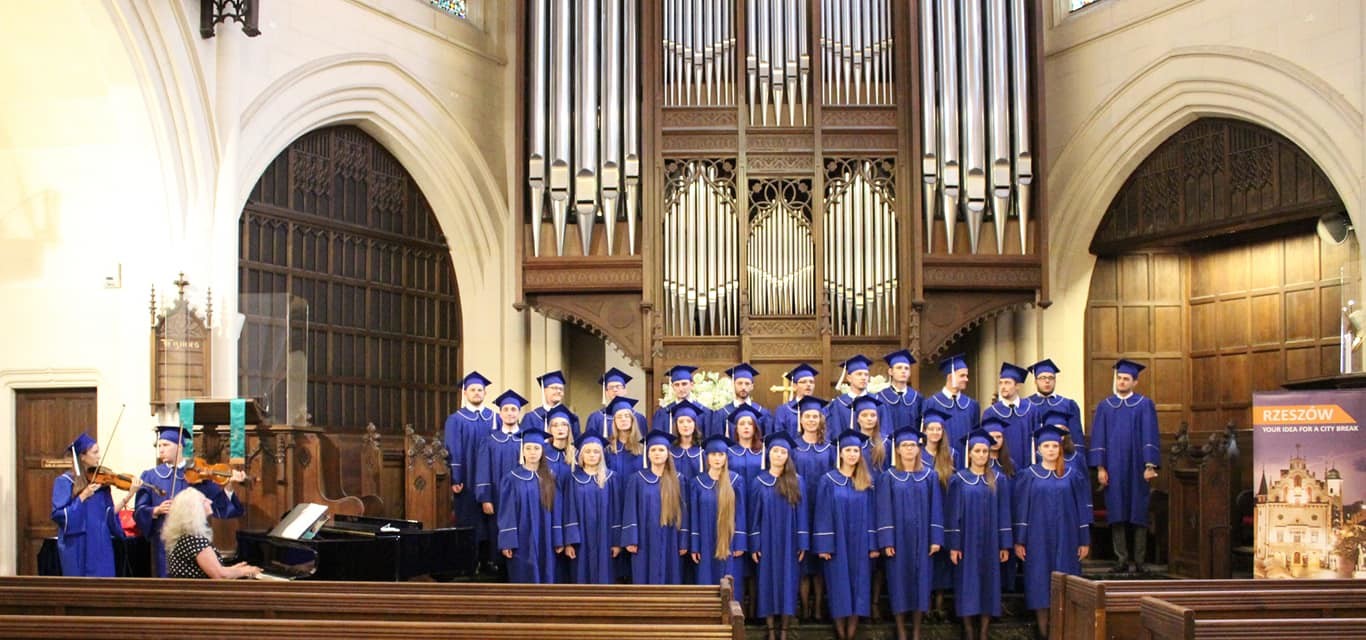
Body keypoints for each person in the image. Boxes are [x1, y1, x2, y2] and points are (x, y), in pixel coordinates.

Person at [1012, 425, 1092, 637]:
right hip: (1037, 538)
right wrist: (1020, 541)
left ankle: (1063, 633)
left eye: (1054, 446)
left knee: (1067, 582)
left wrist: (1084, 540)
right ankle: (1044, 633)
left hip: (1067, 537)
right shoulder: (1029, 475)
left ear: (1060, 448)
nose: (1050, 450)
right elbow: (1022, 510)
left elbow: (1082, 509)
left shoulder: (1072, 476)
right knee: (1040, 583)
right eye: (1046, 446)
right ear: (1038, 449)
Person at [135, 425, 245, 577]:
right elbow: (139, 510)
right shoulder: (151, 476)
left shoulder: (197, 475)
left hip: (194, 544)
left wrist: (229, 485)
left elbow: (221, 507)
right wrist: (155, 510)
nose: (161, 449)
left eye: (166, 445)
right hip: (163, 543)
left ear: (179, 447)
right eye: (159, 445)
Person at [1090, 358, 1160, 574]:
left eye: (1126, 379)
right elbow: (1099, 437)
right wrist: (1100, 468)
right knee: (1117, 513)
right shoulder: (1105, 406)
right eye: (1119, 378)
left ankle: (1139, 561)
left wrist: (1150, 465)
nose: (1121, 382)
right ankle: (1121, 559)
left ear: (1135, 382)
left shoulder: (1144, 405)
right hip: (1114, 468)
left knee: (1139, 514)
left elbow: (1150, 434)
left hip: (1138, 467)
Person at [877, 427, 944, 640]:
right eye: (904, 445)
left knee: (921, 584)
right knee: (898, 583)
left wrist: (935, 539)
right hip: (898, 539)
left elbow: (936, 508)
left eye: (913, 445)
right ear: (897, 449)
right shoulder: (888, 477)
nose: (909, 449)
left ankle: (916, 632)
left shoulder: (929, 476)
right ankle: (901, 631)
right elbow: (884, 510)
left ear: (918, 449)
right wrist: (887, 540)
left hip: (923, 539)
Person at [814, 429, 880, 640]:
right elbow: (822, 514)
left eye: (856, 451)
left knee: (859, 587)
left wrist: (873, 545)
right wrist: (824, 545)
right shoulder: (828, 480)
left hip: (861, 543)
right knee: (839, 586)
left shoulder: (866, 482)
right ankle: (841, 634)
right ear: (840, 453)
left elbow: (873, 515)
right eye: (848, 450)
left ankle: (850, 635)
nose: (852, 454)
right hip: (837, 544)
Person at [946, 429, 1012, 640]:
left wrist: (1004, 544)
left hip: (991, 541)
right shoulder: (959, 480)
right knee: (967, 584)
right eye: (978, 451)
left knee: (989, 584)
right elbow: (953, 515)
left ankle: (983, 632)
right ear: (970, 453)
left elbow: (1004, 513)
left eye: (985, 451)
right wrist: (954, 545)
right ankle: (968, 630)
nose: (982, 455)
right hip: (967, 541)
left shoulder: (999, 479)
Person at [750, 431, 809, 640]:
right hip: (767, 541)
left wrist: (802, 543)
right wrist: (755, 544)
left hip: (789, 540)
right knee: (766, 582)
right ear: (769, 454)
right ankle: (771, 631)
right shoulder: (759, 481)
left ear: (788, 456)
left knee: (788, 582)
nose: (779, 455)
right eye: (775, 451)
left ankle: (784, 631)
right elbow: (754, 516)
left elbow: (802, 514)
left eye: (783, 452)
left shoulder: (797, 481)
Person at [51, 433, 131, 577]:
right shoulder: (65, 482)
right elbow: (59, 515)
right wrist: (83, 496)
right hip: (77, 544)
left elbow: (109, 514)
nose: (99, 456)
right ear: (82, 456)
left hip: (100, 543)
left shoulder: (101, 483)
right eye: (95, 452)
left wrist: (129, 495)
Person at [622, 429, 688, 585]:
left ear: (668, 454)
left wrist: (684, 541)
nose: (657, 453)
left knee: (671, 576)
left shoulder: (679, 479)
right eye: (653, 450)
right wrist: (631, 539)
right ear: (648, 454)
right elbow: (630, 510)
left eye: (661, 450)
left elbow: (684, 513)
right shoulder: (637, 479)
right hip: (644, 538)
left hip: (672, 537)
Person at [497, 428, 562, 584]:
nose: (532, 452)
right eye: (528, 448)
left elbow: (557, 510)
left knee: (546, 574)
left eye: (536, 448)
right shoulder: (512, 479)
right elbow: (507, 513)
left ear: (542, 451)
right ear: (522, 451)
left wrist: (558, 539)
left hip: (546, 535)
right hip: (521, 536)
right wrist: (507, 542)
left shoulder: (550, 478)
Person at [475, 390, 528, 574]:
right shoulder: (490, 441)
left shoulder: (527, 440)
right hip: (497, 497)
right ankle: (499, 569)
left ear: (519, 412)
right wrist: (485, 498)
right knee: (497, 530)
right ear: (500, 414)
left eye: (514, 409)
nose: (510, 413)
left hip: (523, 496)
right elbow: (483, 471)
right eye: (506, 409)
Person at [689, 433, 748, 600]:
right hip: (705, 541)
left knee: (730, 580)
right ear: (707, 457)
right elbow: (693, 517)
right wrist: (695, 546)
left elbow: (741, 513)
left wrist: (740, 543)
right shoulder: (697, 483)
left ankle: (731, 614)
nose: (717, 458)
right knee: (706, 580)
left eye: (721, 454)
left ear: (726, 457)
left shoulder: (736, 481)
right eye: (713, 454)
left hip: (730, 541)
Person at [790, 395, 833, 621]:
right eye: (807, 416)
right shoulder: (793, 448)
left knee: (821, 561)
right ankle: (805, 606)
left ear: (821, 419)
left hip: (824, 508)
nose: (811, 420)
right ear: (801, 419)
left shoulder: (830, 448)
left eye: (815, 416)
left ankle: (818, 607)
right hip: (801, 507)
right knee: (804, 562)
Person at [562, 431, 623, 584]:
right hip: (581, 539)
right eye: (587, 451)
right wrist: (569, 542)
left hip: (606, 537)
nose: (592, 455)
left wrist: (616, 542)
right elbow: (569, 511)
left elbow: (617, 512)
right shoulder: (573, 479)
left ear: (601, 455)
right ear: (581, 455)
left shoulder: (611, 478)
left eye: (596, 452)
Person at [162, 487, 261, 579]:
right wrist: (244, 571)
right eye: (204, 500)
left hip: (188, 589)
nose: (210, 501)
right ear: (195, 509)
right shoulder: (195, 540)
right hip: (199, 591)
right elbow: (220, 576)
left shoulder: (185, 536)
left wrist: (232, 569)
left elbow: (205, 569)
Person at [443, 371, 496, 539]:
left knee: (492, 523)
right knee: (470, 520)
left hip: (491, 478)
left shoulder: (494, 418)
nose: (477, 393)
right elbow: (453, 448)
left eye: (480, 390)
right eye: (472, 390)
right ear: (465, 393)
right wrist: (456, 478)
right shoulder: (456, 419)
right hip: (467, 478)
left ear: (485, 393)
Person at [919, 406, 958, 620]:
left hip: (947, 508)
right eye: (931, 428)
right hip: (925, 511)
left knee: (943, 557)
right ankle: (925, 603)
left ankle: (939, 604)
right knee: (927, 557)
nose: (935, 432)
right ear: (924, 431)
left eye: (938, 429)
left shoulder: (952, 455)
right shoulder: (917, 454)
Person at [1025, 358, 1087, 461]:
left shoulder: (1068, 405)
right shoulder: (1026, 405)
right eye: (1042, 378)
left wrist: (1077, 462)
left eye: (1051, 378)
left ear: (1055, 380)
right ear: (1035, 381)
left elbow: (1077, 438)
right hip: (1033, 459)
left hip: (1063, 460)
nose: (1047, 381)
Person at [983, 362, 1041, 468]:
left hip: (1027, 467)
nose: (1003, 387)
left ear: (1017, 386)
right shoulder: (991, 412)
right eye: (1001, 383)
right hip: (1000, 469)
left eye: (1007, 383)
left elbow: (1037, 441)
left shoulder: (1031, 410)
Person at [825, 355, 890, 439]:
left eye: (866, 375)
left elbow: (884, 431)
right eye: (859, 374)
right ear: (849, 378)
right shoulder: (838, 404)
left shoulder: (878, 402)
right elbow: (835, 432)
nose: (863, 378)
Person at [926, 354, 979, 446]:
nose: (966, 379)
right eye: (962, 376)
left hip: (965, 454)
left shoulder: (972, 405)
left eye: (966, 376)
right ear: (950, 377)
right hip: (941, 453)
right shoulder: (931, 403)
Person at [710, 363, 773, 438]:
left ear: (752, 386)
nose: (743, 387)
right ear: (733, 385)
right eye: (740, 383)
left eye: (747, 384)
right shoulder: (722, 414)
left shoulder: (763, 413)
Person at [585, 367, 649, 439]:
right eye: (611, 387)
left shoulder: (639, 418)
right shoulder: (596, 418)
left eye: (618, 386)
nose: (615, 390)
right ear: (606, 392)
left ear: (625, 390)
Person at [653, 365, 713, 435]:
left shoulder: (704, 412)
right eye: (677, 385)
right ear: (672, 387)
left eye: (684, 384)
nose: (681, 389)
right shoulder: (663, 413)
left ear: (692, 385)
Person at [876, 350, 924, 434]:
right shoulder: (880, 398)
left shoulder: (917, 398)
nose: (903, 371)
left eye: (906, 368)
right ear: (890, 372)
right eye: (899, 368)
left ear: (910, 373)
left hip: (911, 441)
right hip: (887, 441)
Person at [604, 396, 645, 481]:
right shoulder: (608, 448)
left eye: (627, 416)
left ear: (632, 420)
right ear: (614, 421)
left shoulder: (643, 448)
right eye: (619, 417)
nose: (623, 419)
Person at [774, 363, 818, 438]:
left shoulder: (822, 410)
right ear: (794, 386)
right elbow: (779, 436)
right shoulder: (783, 410)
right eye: (803, 382)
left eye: (811, 382)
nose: (808, 385)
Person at [727, 404, 766, 489]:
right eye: (742, 424)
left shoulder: (764, 452)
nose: (746, 427)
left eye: (750, 424)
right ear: (736, 429)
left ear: (755, 428)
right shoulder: (729, 453)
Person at [854, 395, 892, 482]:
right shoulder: (853, 443)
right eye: (864, 415)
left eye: (873, 415)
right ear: (857, 419)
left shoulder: (886, 442)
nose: (869, 419)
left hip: (883, 486)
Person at [670, 399, 705, 484]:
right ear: (676, 425)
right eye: (681, 422)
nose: (685, 425)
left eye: (689, 421)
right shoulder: (670, 452)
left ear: (695, 424)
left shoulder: (702, 452)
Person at [543, 404, 577, 479]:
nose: (560, 428)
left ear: (569, 428)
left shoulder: (576, 454)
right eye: (555, 425)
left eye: (564, 424)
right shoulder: (543, 452)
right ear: (550, 429)